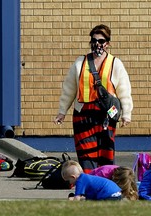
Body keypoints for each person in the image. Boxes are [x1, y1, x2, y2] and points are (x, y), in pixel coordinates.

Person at [54, 24, 133, 173]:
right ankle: (90, 184)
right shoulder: (80, 62)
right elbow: (69, 88)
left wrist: (126, 114)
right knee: (85, 154)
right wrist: (62, 112)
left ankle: (105, 183)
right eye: (94, 40)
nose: (97, 44)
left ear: (108, 44)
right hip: (83, 114)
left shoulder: (115, 64)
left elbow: (124, 90)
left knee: (106, 153)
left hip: (106, 115)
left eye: (101, 41)